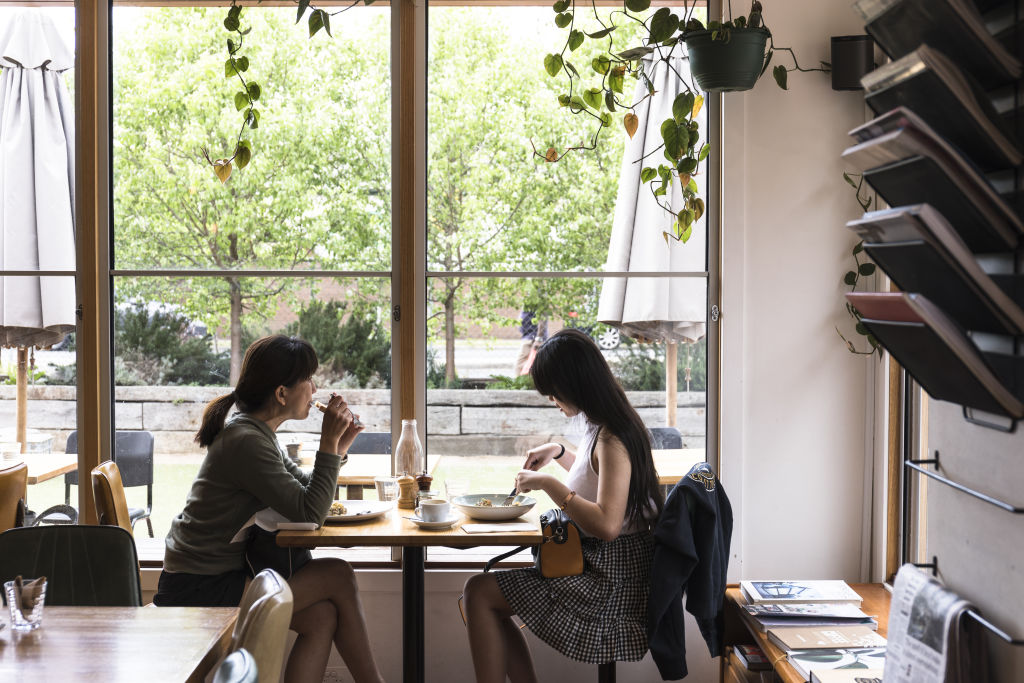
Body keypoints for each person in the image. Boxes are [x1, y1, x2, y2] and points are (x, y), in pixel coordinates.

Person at [153, 335, 384, 683]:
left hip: (213, 576)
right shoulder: (246, 441)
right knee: (338, 574)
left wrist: (336, 445)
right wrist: (327, 446)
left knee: (321, 617)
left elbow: (304, 492)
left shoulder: (257, 435)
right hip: (198, 586)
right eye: (308, 379)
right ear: (281, 393)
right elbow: (310, 512)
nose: (315, 387)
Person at [463, 328, 664, 682]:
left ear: (573, 384)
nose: (552, 400)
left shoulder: (613, 437)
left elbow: (607, 523)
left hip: (609, 578)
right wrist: (558, 453)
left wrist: (547, 484)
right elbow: (599, 482)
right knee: (481, 595)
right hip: (598, 564)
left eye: (553, 392)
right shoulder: (606, 425)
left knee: (479, 594)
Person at [514, 310, 547, 376]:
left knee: (520, 366)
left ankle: (521, 384)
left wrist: (539, 339)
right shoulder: (528, 303)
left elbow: (542, 319)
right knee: (527, 366)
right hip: (528, 337)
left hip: (532, 339)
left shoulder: (535, 302)